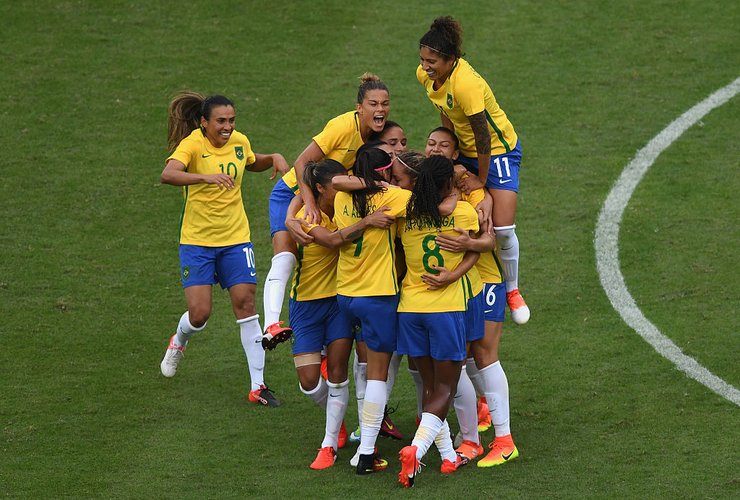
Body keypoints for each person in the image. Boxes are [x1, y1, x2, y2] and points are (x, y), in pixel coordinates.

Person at [159, 91, 290, 407]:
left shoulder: (239, 141)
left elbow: (251, 161)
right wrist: (204, 178)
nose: (227, 126)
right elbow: (168, 174)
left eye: (231, 120)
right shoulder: (192, 145)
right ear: (204, 123)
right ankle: (179, 341)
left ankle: (258, 386)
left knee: (246, 304)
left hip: (235, 239)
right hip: (198, 242)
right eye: (221, 121)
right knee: (200, 314)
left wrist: (273, 158)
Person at [261, 74, 391, 350]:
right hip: (295, 193)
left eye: (385, 104)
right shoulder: (343, 126)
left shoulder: (378, 136)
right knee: (286, 257)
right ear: (359, 107)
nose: (379, 109)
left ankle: (320, 345)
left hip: (327, 196)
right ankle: (271, 324)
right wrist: (303, 206)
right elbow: (302, 163)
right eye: (373, 104)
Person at [417, 16, 530, 325]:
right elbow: (446, 114)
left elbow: (483, 135)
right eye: (423, 59)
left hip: (498, 150)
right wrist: (449, 154)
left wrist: (481, 176)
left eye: (432, 61)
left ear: (451, 60)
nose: (426, 66)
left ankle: (512, 289)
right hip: (464, 150)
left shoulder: (466, 84)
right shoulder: (425, 76)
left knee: (504, 229)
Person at [286, 159, 395, 469]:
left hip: (338, 304)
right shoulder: (307, 216)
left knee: (338, 374)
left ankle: (329, 443)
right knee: (309, 380)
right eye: (337, 184)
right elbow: (333, 240)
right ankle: (336, 420)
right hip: (306, 306)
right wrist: (368, 222)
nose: (343, 187)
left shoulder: (348, 206)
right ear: (320, 188)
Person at [395, 155, 480, 487]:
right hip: (445, 310)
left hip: (409, 309)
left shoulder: (407, 215)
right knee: (446, 387)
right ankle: (415, 450)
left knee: (432, 388)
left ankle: (447, 458)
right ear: (448, 185)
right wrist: (452, 276)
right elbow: (476, 249)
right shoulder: (463, 212)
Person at [332, 143, 411, 475]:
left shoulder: (340, 197)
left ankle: (362, 443)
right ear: (380, 174)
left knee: (363, 369)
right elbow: (427, 199)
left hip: (345, 294)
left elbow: (338, 182)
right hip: (378, 296)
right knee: (378, 374)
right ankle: (366, 452)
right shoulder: (391, 198)